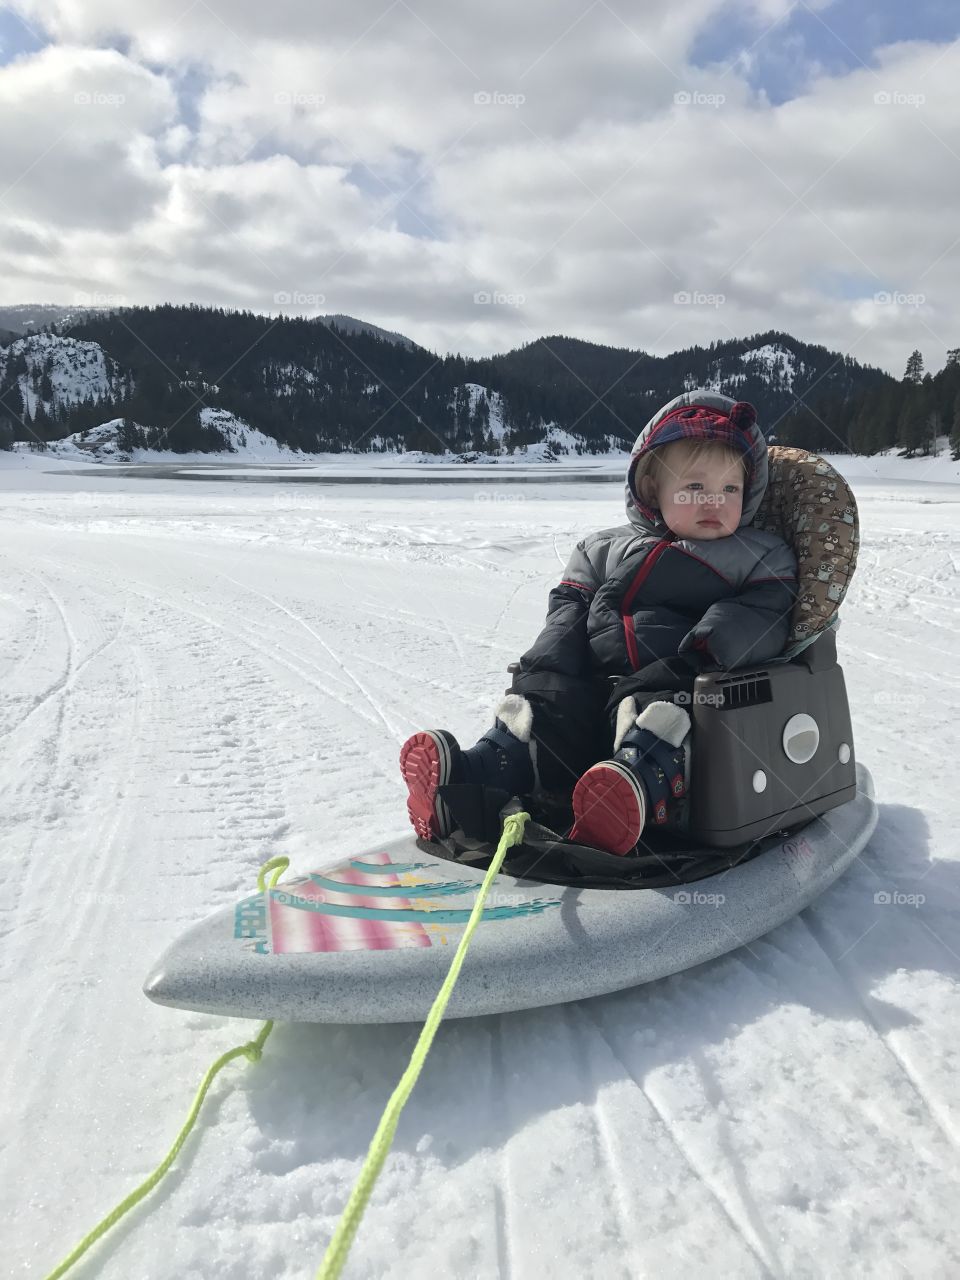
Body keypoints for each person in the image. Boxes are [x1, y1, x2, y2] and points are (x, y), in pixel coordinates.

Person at [399, 389, 798, 855]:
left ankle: (629, 793)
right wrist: (547, 669)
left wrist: (704, 649)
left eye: (730, 490)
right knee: (546, 706)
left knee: (657, 715)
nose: (715, 502)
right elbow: (567, 612)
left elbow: (766, 611)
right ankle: (470, 781)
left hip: (683, 676)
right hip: (595, 679)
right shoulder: (601, 548)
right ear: (653, 490)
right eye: (694, 488)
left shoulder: (757, 554)